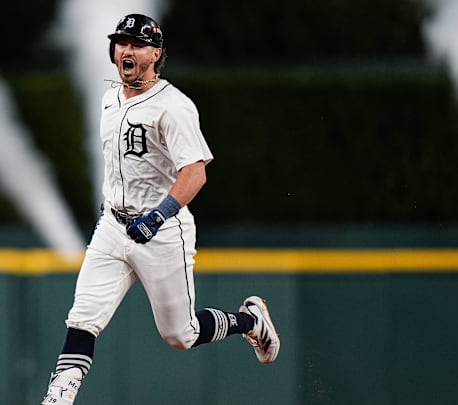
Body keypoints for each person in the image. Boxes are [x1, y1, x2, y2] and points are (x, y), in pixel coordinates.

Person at [41, 13, 280, 405]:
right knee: (83, 318)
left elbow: (195, 173)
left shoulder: (173, 106)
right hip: (114, 227)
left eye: (136, 44)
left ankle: (250, 320)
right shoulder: (109, 99)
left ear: (155, 53)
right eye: (121, 42)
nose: (126, 50)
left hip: (163, 230)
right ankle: (59, 397)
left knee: (180, 335)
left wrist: (159, 214)